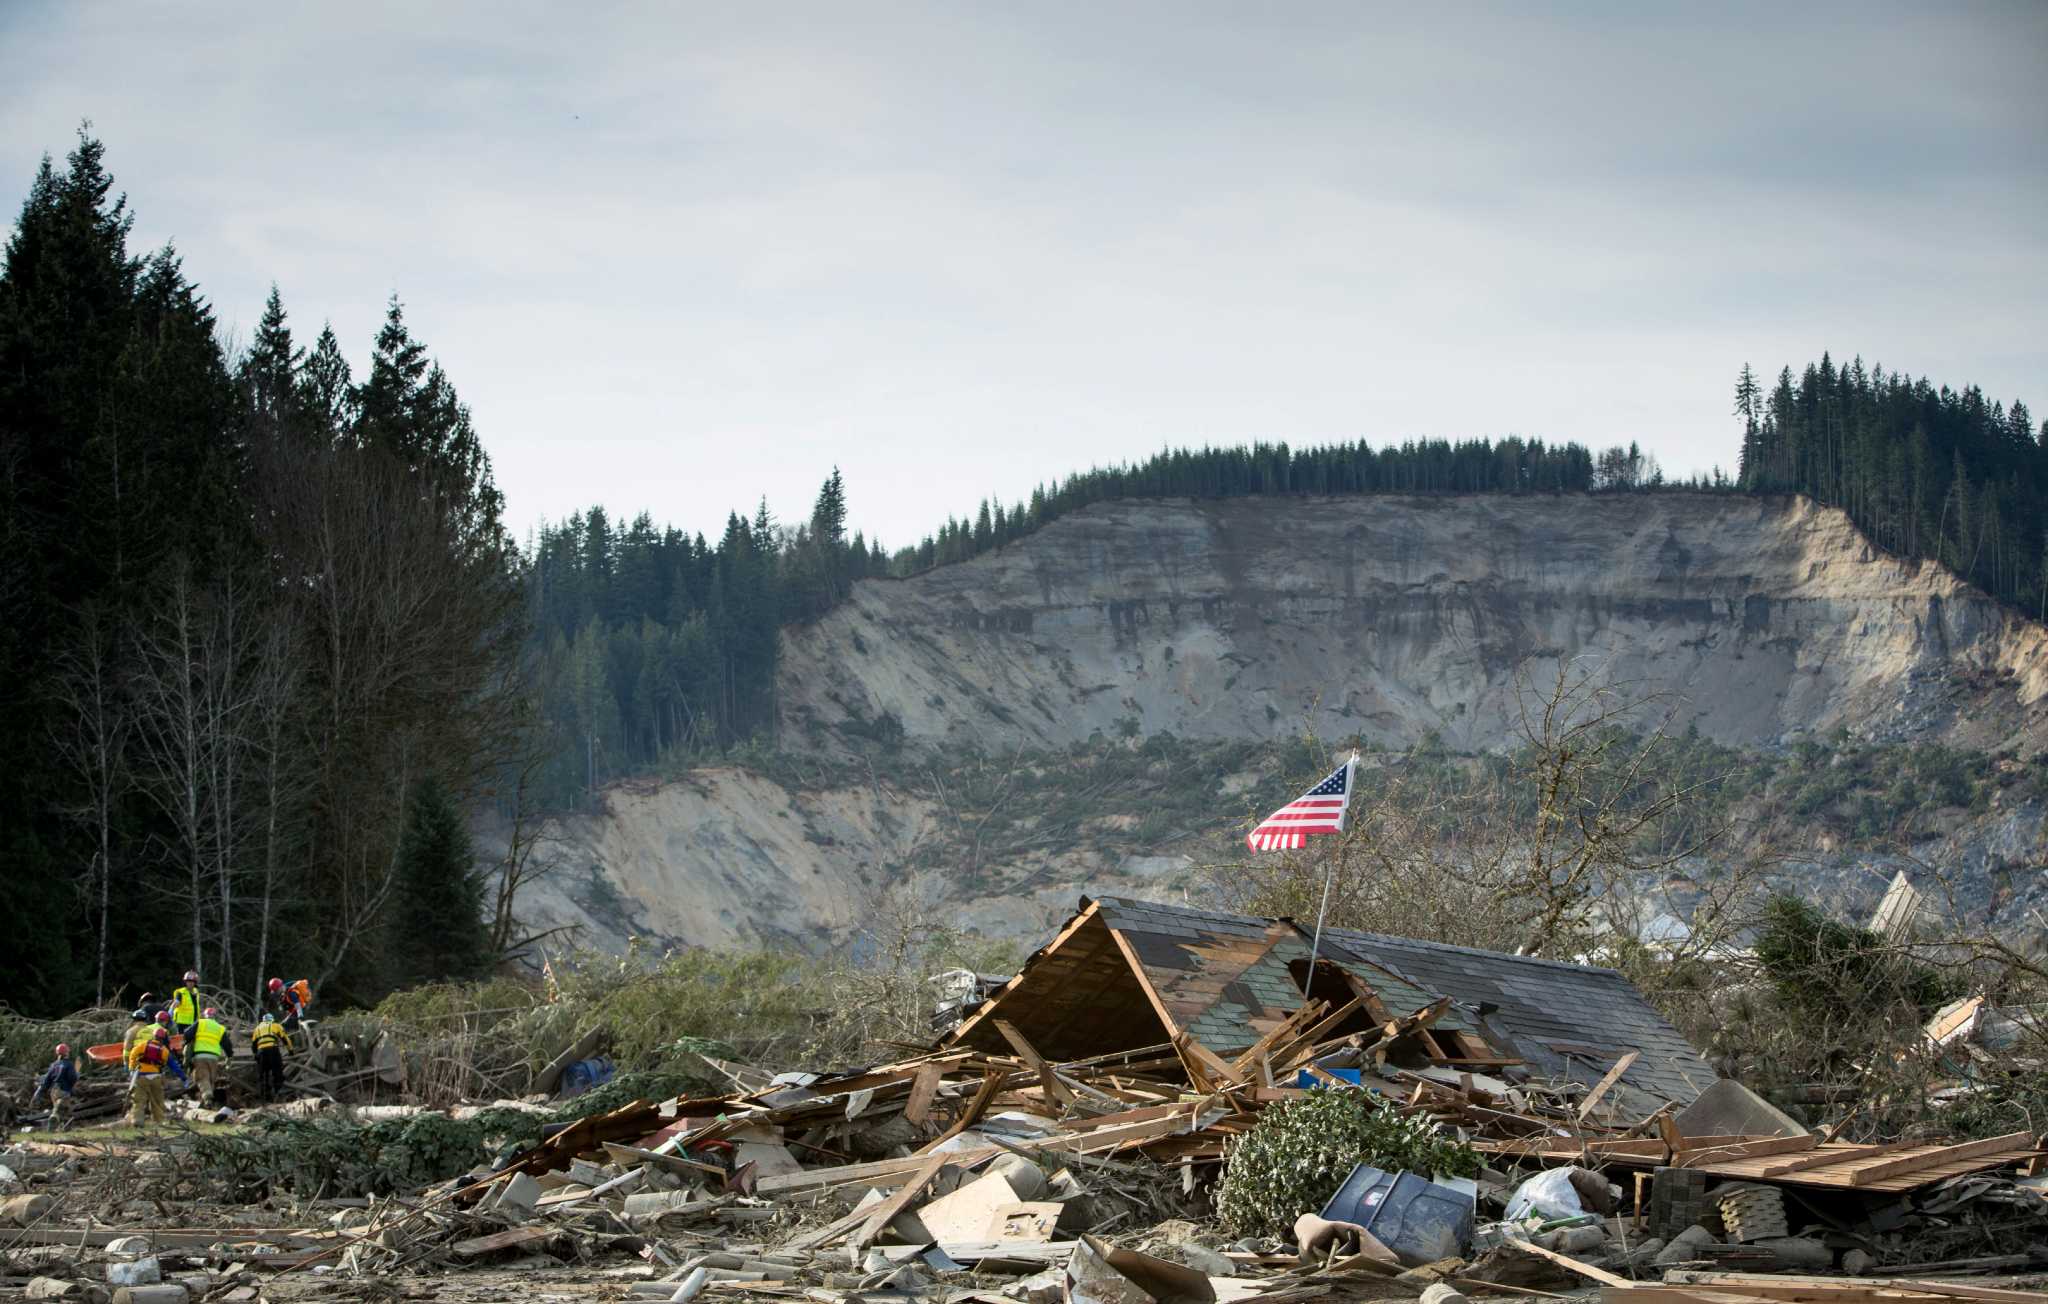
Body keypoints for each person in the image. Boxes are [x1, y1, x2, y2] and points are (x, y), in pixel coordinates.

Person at [126, 1025, 186, 1127]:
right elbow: (174, 1066)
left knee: (139, 1100)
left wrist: (132, 1068)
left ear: (153, 1036)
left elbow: (132, 1054)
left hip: (141, 1076)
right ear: (163, 1039)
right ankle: (159, 1122)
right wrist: (183, 1077)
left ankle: (137, 1121)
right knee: (157, 1101)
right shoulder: (164, 1051)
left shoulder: (143, 1045)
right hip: (156, 1077)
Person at [188, 1007, 233, 1107]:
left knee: (202, 1078)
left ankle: (207, 1096)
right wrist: (229, 1056)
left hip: (200, 1055)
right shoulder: (220, 1028)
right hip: (214, 1057)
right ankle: (208, 1103)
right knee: (211, 1080)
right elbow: (227, 1045)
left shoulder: (200, 1023)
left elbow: (187, 1034)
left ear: (205, 1015)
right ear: (215, 1017)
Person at [29, 1044, 78, 1130]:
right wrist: (76, 1077)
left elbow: (47, 1080)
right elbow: (72, 1078)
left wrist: (39, 1092)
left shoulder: (54, 1065)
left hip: (54, 1091)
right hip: (63, 1090)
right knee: (61, 1110)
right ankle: (53, 1124)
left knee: (60, 1109)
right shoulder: (69, 1064)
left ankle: (62, 1128)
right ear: (66, 1053)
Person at [250, 1010, 291, 1101]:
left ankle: (265, 1098)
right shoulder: (275, 1025)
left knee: (263, 1075)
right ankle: (278, 1093)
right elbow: (285, 1039)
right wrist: (290, 1050)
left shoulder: (257, 1028)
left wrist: (256, 1055)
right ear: (272, 1020)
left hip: (261, 1052)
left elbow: (253, 1044)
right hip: (273, 1050)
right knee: (277, 1071)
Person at [170, 970, 202, 1043]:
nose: (190, 983)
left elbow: (195, 1006)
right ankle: (177, 1054)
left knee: (190, 1043)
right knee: (179, 1044)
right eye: (188, 981)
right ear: (185, 982)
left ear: (195, 982)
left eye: (192, 981)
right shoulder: (181, 992)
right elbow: (175, 1003)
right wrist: (170, 1013)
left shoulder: (196, 992)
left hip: (193, 1023)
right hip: (181, 1023)